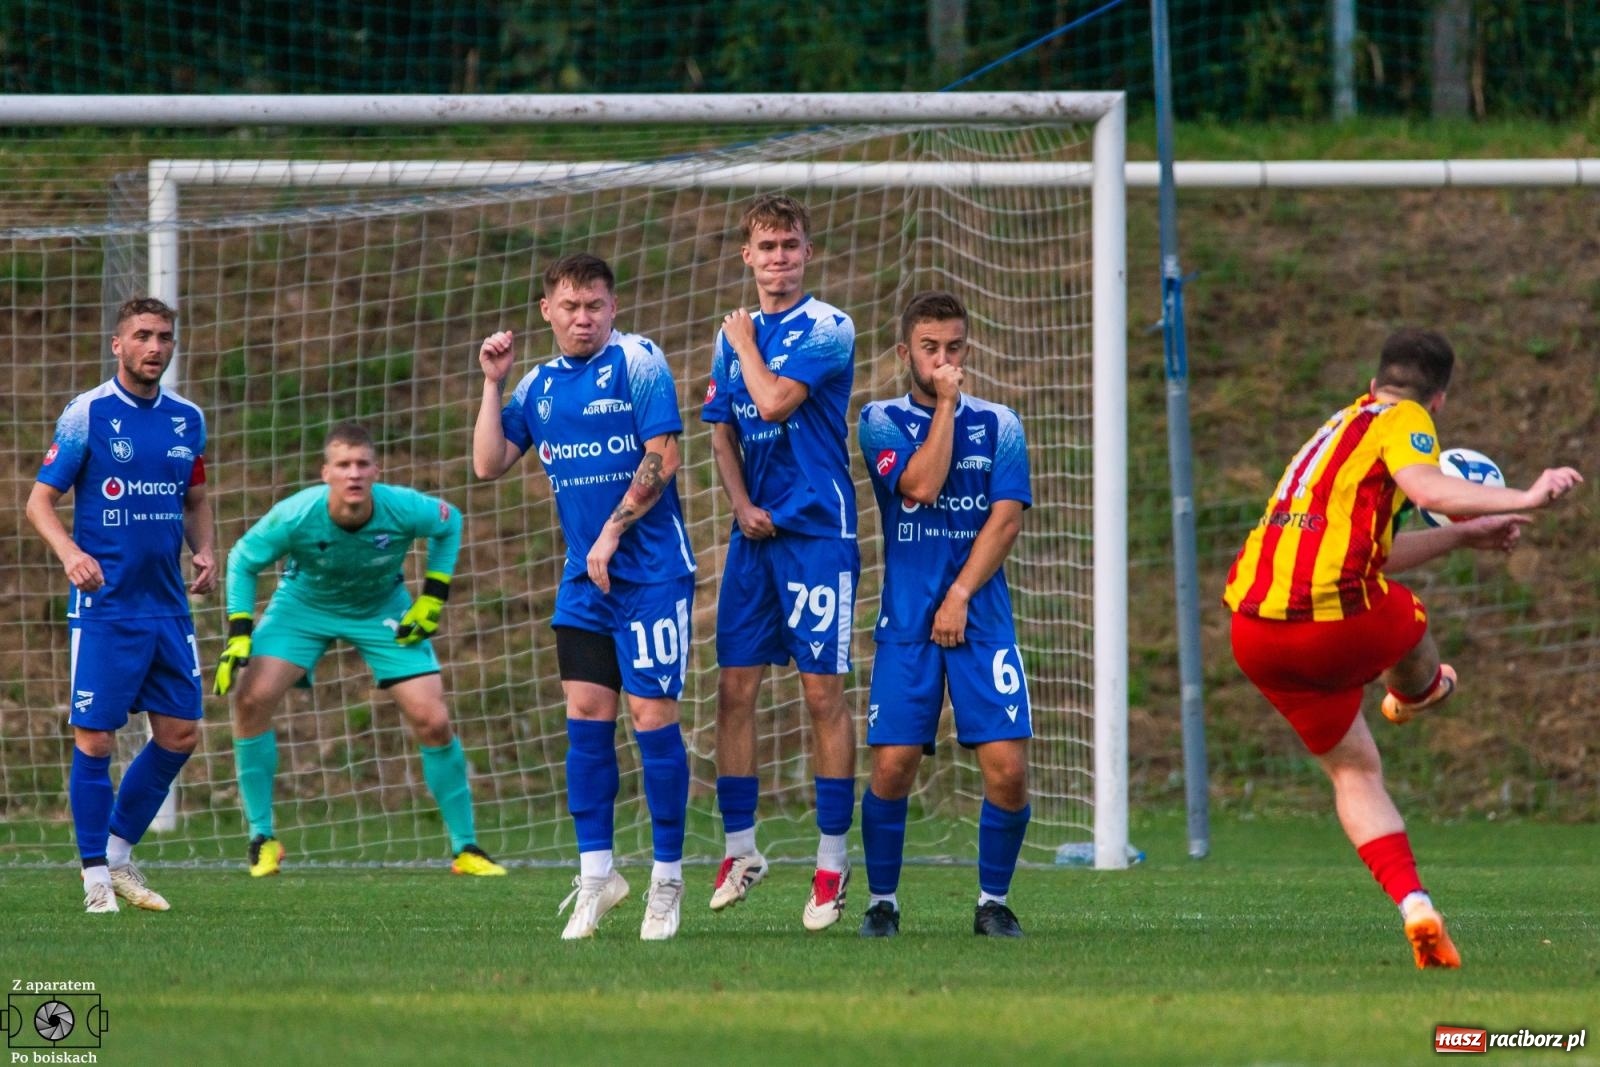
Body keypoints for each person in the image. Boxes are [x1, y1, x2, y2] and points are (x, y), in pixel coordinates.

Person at [1223, 328, 1583, 969]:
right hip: (1336, 621)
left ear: (1371, 383)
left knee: (1355, 769)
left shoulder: (1336, 430)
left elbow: (1378, 552)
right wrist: (1523, 496)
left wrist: (1465, 536)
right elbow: (1427, 488)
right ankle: (1417, 690)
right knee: (1410, 623)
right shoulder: (1406, 419)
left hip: (1255, 633)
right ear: (1438, 401)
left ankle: (1415, 904)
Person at [473, 253, 694, 941]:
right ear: (548, 311)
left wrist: (609, 533)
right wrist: (492, 383)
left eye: (594, 305)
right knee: (586, 715)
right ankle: (598, 875)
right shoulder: (537, 386)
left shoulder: (638, 361)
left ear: (612, 306)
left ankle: (666, 877)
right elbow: (486, 463)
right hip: (584, 580)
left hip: (651, 572)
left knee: (650, 714)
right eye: (570, 306)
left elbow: (665, 452)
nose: (583, 318)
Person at [215, 421, 505, 880]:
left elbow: (450, 522)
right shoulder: (295, 514)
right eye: (343, 465)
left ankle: (467, 848)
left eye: (362, 464)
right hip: (303, 606)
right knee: (250, 699)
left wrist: (433, 595)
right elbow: (242, 560)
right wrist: (239, 633)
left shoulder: (403, 507)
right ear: (325, 472)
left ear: (377, 470)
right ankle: (261, 837)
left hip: (381, 609)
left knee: (434, 720)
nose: (354, 474)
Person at [26, 297, 217, 914]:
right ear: (118, 345)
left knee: (181, 732)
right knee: (95, 741)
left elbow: (195, 498)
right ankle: (93, 882)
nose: (155, 347)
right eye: (142, 336)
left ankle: (116, 854)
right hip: (105, 607)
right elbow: (38, 502)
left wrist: (206, 550)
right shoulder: (88, 413)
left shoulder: (188, 419)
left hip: (166, 607)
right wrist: (69, 554)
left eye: (164, 337)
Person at [700, 193, 859, 931]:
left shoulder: (828, 326)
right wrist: (737, 503)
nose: (779, 260)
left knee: (822, 695)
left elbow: (770, 402)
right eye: (766, 248)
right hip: (754, 536)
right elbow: (723, 432)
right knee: (734, 689)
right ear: (747, 257)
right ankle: (742, 849)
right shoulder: (729, 334)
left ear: (807, 252)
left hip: (817, 532)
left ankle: (831, 864)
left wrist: (746, 345)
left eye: (791, 246)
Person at [855, 292, 1033, 938]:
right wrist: (948, 405)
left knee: (1008, 770)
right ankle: (882, 901)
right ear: (906, 352)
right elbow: (923, 485)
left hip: (980, 616)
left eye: (954, 348)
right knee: (892, 765)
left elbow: (1006, 519)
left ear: (968, 348)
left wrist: (960, 594)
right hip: (907, 622)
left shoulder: (1002, 424)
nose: (943, 360)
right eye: (930, 348)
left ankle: (993, 900)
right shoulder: (878, 420)